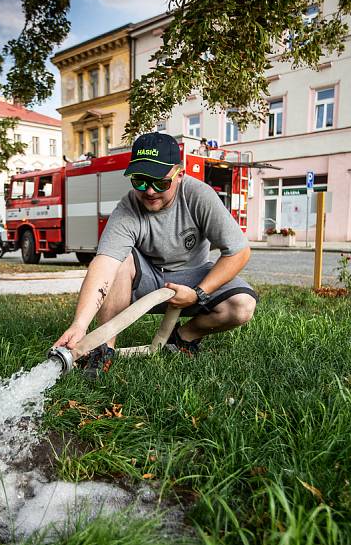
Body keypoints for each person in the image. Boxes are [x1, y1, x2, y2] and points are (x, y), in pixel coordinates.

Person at [54, 132, 257, 378]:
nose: (149, 191)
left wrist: (198, 293)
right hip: (149, 282)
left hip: (193, 280)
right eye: (140, 181)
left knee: (242, 306)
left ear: (179, 175)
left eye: (160, 182)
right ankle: (103, 347)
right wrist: (80, 324)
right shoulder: (127, 209)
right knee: (121, 260)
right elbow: (104, 265)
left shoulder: (198, 196)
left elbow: (239, 252)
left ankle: (182, 338)